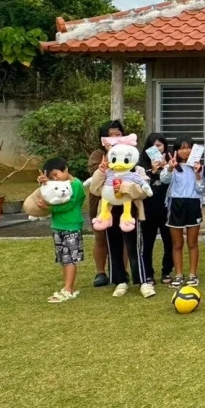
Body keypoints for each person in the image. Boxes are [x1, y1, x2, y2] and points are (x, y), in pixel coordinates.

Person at [33, 158, 86, 303]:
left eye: (56, 175)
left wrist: (49, 208)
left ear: (66, 169)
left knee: (69, 258)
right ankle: (67, 287)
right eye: (52, 177)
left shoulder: (75, 185)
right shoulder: (58, 184)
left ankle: (68, 289)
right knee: (63, 258)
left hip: (71, 225)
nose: (54, 179)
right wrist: (44, 183)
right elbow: (49, 193)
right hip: (58, 225)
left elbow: (68, 205)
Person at [161, 137, 205, 289]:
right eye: (181, 148)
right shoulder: (172, 165)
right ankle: (178, 274)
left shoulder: (198, 166)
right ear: (176, 151)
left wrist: (198, 173)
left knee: (192, 242)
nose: (185, 151)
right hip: (176, 204)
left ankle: (193, 274)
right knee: (177, 243)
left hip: (193, 204)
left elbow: (201, 189)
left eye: (188, 147)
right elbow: (164, 180)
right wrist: (170, 168)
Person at [87, 119, 124, 287]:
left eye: (118, 134)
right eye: (109, 136)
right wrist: (109, 154)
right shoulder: (97, 154)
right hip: (101, 202)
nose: (114, 138)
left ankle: (122, 271)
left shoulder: (129, 152)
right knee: (101, 237)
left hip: (123, 199)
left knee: (124, 236)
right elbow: (95, 174)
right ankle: (100, 272)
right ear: (103, 139)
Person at [133, 133, 170, 297]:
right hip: (147, 210)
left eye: (160, 145)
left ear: (165, 147)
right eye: (153, 146)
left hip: (166, 209)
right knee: (147, 243)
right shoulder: (140, 166)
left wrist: (166, 167)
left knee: (169, 241)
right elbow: (142, 187)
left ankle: (167, 271)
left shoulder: (171, 163)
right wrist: (154, 170)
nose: (157, 149)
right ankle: (148, 273)